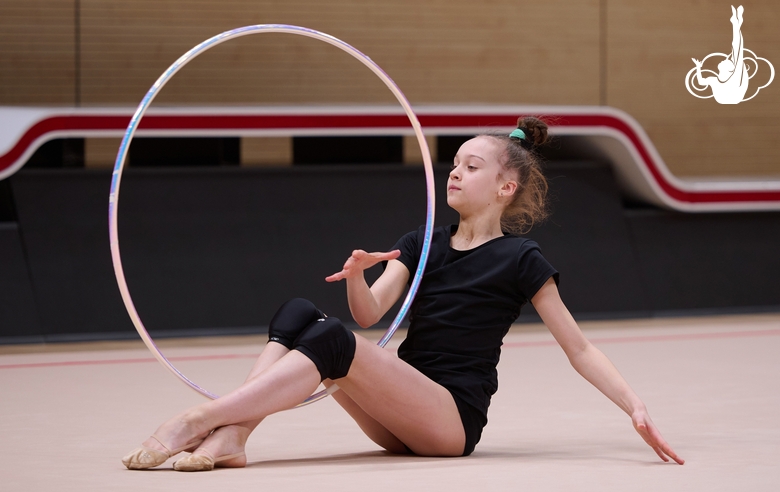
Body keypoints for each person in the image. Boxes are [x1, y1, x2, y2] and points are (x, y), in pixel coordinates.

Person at [122, 116, 684, 471]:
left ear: (506, 187)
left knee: (333, 342)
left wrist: (634, 406)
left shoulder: (521, 258)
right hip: (398, 412)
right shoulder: (422, 242)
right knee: (299, 314)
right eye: (455, 163)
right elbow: (368, 317)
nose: (455, 173)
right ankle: (234, 437)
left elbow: (579, 348)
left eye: (472, 166)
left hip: (448, 420)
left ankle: (200, 420)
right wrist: (360, 275)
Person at [692, 5, 748, 104]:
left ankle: (736, 23)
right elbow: (701, 82)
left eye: (726, 61)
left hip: (731, 96)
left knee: (737, 51)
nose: (724, 59)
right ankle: (736, 23)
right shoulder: (720, 79)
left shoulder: (721, 79)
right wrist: (698, 67)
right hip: (731, 97)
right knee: (737, 52)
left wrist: (698, 67)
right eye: (728, 60)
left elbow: (701, 81)